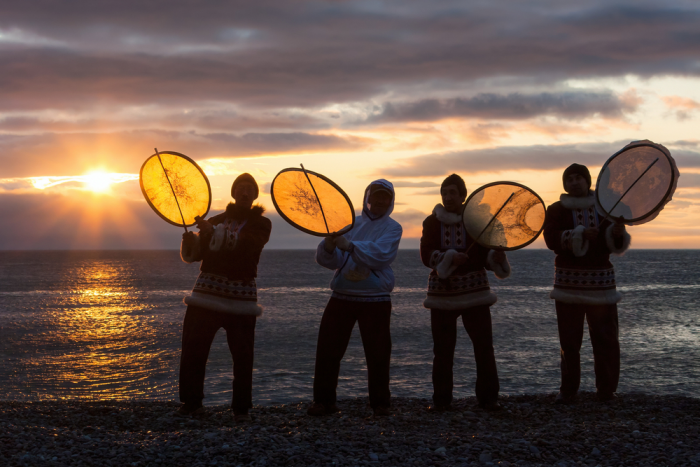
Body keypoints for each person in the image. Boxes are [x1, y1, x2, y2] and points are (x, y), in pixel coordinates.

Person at [177, 173, 272, 421]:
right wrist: (192, 241)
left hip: (241, 299)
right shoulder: (216, 220)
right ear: (233, 193)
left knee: (242, 356)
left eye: (248, 188)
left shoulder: (262, 225)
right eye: (239, 187)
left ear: (254, 196)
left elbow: (245, 246)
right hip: (206, 293)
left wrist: (212, 231)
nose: (244, 191)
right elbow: (196, 256)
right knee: (193, 349)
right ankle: (191, 402)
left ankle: (241, 408)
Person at [308, 179, 402, 417]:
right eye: (376, 196)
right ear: (367, 198)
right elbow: (331, 261)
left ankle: (380, 404)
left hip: (376, 298)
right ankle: (323, 402)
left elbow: (381, 255)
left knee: (378, 353)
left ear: (391, 201)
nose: (380, 201)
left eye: (385, 197)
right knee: (328, 350)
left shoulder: (393, 228)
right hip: (342, 296)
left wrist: (350, 247)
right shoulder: (350, 224)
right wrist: (329, 247)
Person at [420, 174, 511, 412]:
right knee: (442, 350)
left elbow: (486, 255)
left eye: (453, 193)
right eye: (445, 193)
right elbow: (425, 253)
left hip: (476, 294)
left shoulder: (477, 221)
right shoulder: (431, 223)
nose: (448, 197)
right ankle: (441, 401)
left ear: (463, 196)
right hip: (442, 296)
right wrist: (449, 257)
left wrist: (496, 257)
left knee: (483, 347)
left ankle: (489, 399)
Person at [543, 163, 630, 404]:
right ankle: (568, 390)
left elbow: (616, 241)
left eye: (579, 178)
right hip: (567, 284)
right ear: (564, 184)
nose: (574, 182)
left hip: (601, 284)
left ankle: (607, 390)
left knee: (606, 338)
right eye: (569, 179)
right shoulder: (556, 209)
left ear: (588, 181)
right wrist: (579, 234)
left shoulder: (607, 208)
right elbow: (551, 238)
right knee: (569, 341)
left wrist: (617, 232)